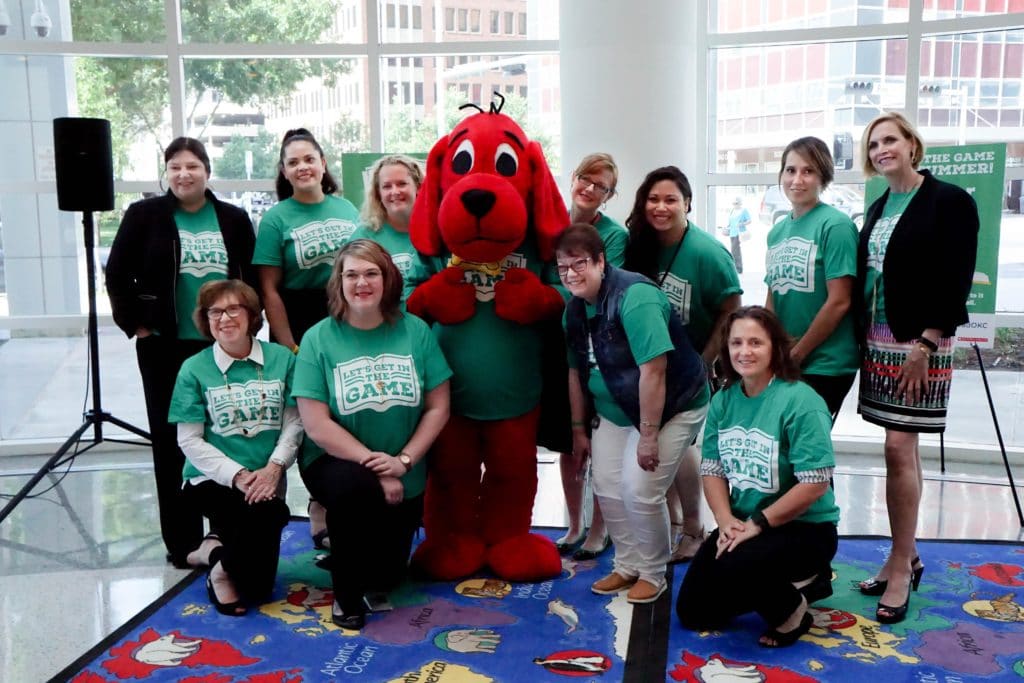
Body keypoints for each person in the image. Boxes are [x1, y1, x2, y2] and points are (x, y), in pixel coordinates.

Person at [105, 137, 257, 569]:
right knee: (174, 441)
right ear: (166, 173)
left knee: (225, 435)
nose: (183, 174)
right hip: (165, 346)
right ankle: (183, 541)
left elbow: (248, 277)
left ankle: (225, 531)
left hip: (223, 344)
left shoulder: (232, 218)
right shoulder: (144, 215)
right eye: (174, 167)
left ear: (207, 171)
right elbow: (117, 273)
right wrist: (136, 322)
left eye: (191, 165)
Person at [855, 112, 979, 623]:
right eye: (874, 143)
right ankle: (902, 552)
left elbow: (957, 278)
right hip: (879, 340)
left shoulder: (950, 201)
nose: (882, 148)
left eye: (890, 139)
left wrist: (926, 342)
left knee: (897, 447)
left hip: (920, 342)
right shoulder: (879, 205)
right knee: (902, 450)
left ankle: (902, 565)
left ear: (912, 143)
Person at [292, 239, 451, 629]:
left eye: (370, 273)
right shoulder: (318, 338)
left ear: (387, 279)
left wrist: (403, 462)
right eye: (351, 275)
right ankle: (344, 598)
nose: (361, 283)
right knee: (355, 490)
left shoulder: (415, 331)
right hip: (335, 461)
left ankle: (346, 544)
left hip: (403, 464)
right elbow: (316, 424)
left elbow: (438, 406)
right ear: (338, 283)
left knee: (386, 578)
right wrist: (377, 468)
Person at [558, 223, 709, 604]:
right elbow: (576, 372)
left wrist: (647, 435)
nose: (571, 274)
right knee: (606, 486)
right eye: (563, 268)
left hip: (673, 406)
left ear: (600, 262)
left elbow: (654, 371)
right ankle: (627, 564)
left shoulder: (635, 297)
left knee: (640, 489)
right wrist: (578, 429)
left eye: (579, 264)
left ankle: (654, 572)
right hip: (614, 410)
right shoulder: (574, 310)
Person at [676, 306, 839, 648]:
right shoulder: (722, 401)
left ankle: (795, 610)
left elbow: (815, 484)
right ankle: (793, 584)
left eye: (755, 342)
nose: (744, 352)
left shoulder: (801, 401)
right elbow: (713, 470)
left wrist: (758, 524)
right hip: (746, 522)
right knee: (695, 612)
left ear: (775, 348)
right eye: (736, 343)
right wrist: (724, 522)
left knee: (737, 563)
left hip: (805, 529)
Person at [624, 166, 742, 563]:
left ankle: (694, 527)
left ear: (688, 204)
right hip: (651, 369)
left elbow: (731, 310)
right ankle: (676, 520)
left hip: (689, 372)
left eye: (671, 199)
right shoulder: (638, 245)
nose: (661, 207)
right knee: (667, 452)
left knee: (678, 448)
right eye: (653, 199)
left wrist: (706, 361)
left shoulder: (708, 253)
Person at [252, 127, 359, 550]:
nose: (302, 167)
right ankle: (313, 504)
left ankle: (332, 500)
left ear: (323, 163)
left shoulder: (348, 208)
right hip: (297, 319)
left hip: (346, 318)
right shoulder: (277, 218)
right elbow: (269, 289)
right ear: (284, 171)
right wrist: (287, 343)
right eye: (293, 161)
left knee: (343, 411)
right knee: (306, 416)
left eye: (308, 158)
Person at [168, 279, 298, 615]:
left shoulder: (282, 359)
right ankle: (219, 568)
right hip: (211, 480)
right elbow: (189, 440)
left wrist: (274, 468)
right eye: (214, 312)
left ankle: (211, 549)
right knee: (270, 514)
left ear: (252, 315)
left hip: (268, 477)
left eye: (232, 309)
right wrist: (238, 475)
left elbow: (296, 422)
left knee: (259, 587)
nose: (224, 318)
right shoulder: (193, 368)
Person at [551, 153, 629, 561]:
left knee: (599, 440)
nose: (589, 188)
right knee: (568, 437)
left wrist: (551, 296)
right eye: (585, 178)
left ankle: (601, 527)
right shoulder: (549, 219)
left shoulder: (613, 235)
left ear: (609, 195)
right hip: (555, 340)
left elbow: (592, 287)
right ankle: (574, 523)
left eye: (600, 186)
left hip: (596, 342)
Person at [765, 137, 859, 421]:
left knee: (805, 448)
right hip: (786, 361)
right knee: (781, 447)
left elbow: (839, 302)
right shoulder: (777, 231)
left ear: (824, 177)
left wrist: (797, 354)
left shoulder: (837, 226)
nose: (797, 179)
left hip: (825, 364)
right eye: (790, 170)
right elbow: (773, 296)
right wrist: (768, 347)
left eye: (808, 171)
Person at [349, 154, 431, 302]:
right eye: (387, 186)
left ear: (418, 187)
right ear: (378, 193)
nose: (395, 191)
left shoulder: (435, 232)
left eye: (402, 184)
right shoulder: (364, 236)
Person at [725, 197, 750, 274]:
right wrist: (727, 228)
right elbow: (730, 222)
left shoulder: (743, 211)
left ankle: (738, 268)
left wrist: (741, 224)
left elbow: (749, 220)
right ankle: (737, 267)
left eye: (736, 203)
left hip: (738, 233)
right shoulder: (732, 211)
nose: (735, 205)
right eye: (734, 203)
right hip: (732, 232)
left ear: (740, 203)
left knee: (735, 250)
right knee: (735, 250)